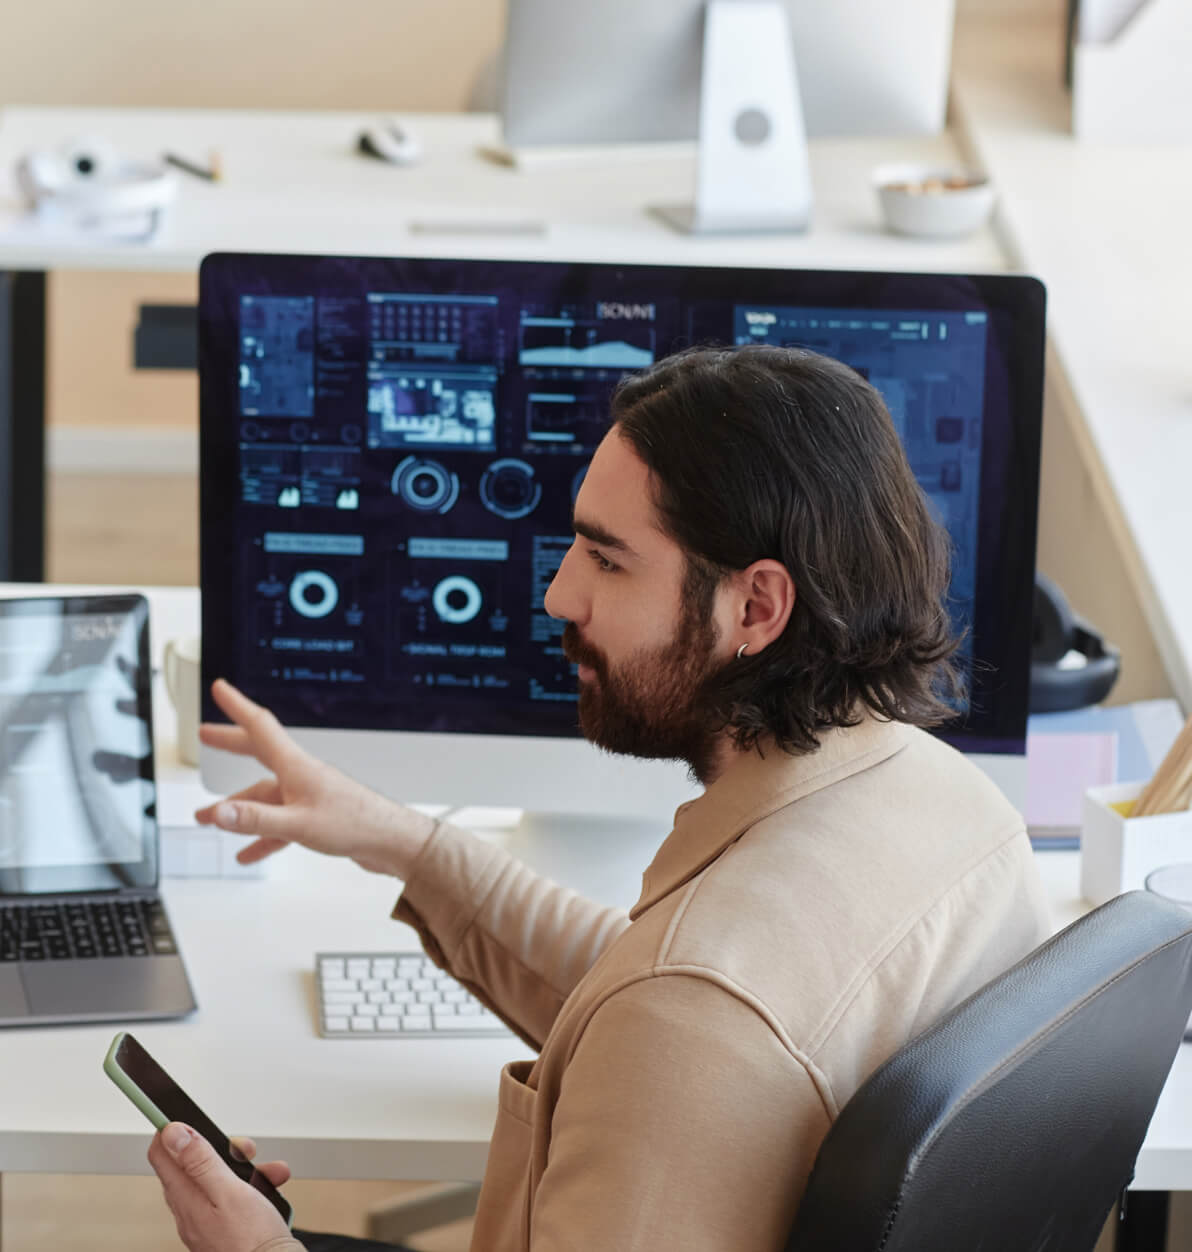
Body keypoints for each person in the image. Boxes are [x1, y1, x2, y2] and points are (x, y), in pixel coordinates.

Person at [144, 345, 1050, 1251]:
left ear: (757, 608)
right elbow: (640, 1001)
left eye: (608, 563)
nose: (557, 595)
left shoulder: (690, 1018)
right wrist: (397, 840)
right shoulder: (959, 809)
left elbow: (678, 1021)